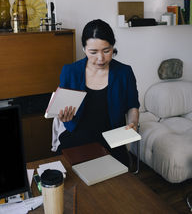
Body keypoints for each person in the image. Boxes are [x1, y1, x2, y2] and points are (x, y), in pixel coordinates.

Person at [51, 19, 140, 167]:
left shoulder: (124, 72)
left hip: (111, 140)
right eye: (93, 52)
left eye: (106, 51)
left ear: (113, 47)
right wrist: (63, 116)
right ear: (84, 48)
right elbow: (62, 107)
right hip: (77, 139)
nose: (100, 58)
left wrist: (133, 123)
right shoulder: (70, 71)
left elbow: (132, 105)